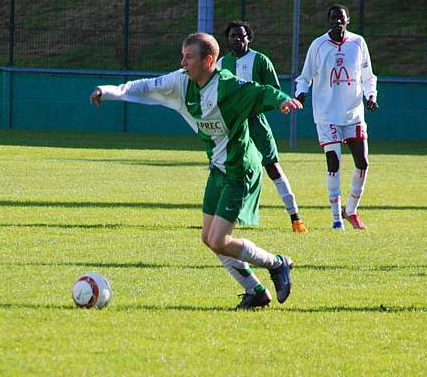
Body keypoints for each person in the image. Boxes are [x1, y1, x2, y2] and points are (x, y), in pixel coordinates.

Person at [89, 33, 303, 310]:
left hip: (240, 169)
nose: (183, 62)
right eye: (183, 56)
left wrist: (283, 100)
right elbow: (146, 86)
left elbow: (262, 92)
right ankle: (256, 292)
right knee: (208, 239)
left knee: (219, 239)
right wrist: (108, 91)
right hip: (218, 168)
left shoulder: (228, 87)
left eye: (189, 57)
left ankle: (277, 263)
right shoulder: (181, 81)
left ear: (209, 60)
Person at [218, 20, 308, 233]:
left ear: (249, 38)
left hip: (255, 122)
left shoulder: (260, 61)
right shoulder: (222, 63)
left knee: (272, 166)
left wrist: (276, 104)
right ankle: (224, 217)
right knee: (226, 169)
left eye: (242, 36)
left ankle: (295, 217)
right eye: (233, 36)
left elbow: (272, 91)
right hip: (232, 125)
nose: (237, 39)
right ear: (227, 39)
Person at [295, 4, 378, 230]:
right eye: (333, 19)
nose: (337, 22)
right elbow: (304, 77)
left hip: (353, 113)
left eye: (341, 19)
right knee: (333, 162)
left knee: (362, 163)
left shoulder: (358, 43)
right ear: (328, 21)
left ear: (348, 20)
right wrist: (300, 93)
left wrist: (371, 96)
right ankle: (336, 218)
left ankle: (350, 210)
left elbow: (368, 76)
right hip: (327, 114)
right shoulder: (318, 45)